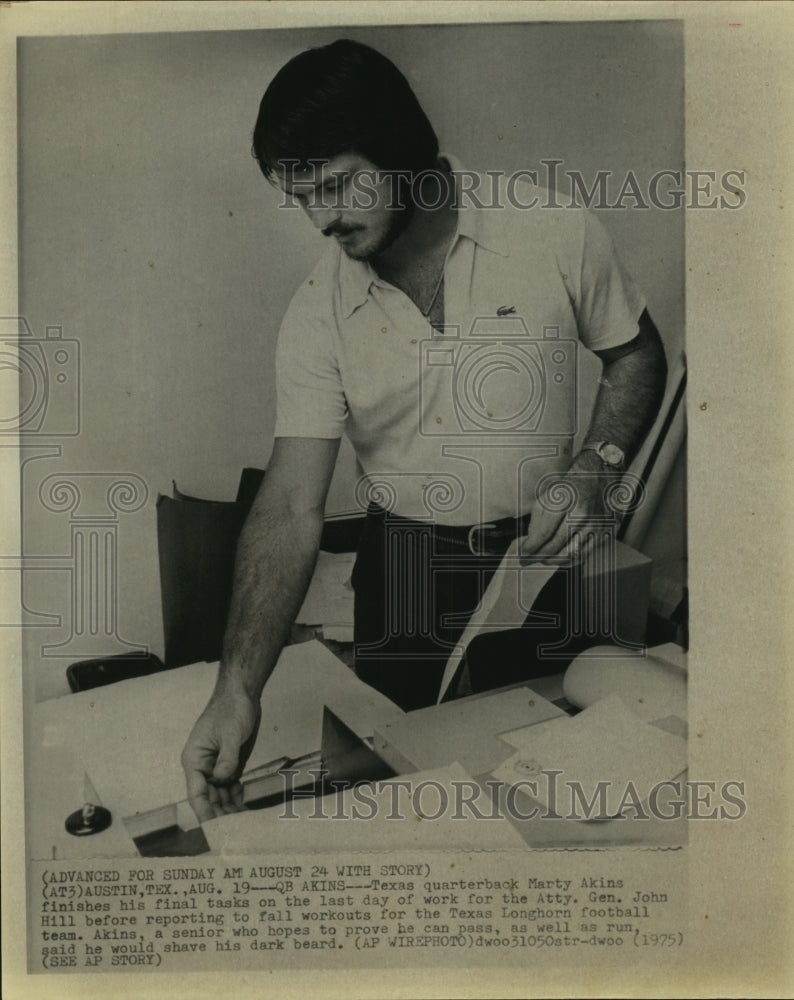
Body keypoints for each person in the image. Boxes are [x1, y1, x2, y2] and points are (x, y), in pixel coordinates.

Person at [181, 39, 668, 822]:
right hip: (402, 567)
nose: (321, 218)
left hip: (538, 558)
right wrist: (236, 690)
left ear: (401, 150)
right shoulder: (317, 312)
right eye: (300, 196)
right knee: (407, 794)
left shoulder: (550, 226)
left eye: (336, 185)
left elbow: (636, 351)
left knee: (551, 790)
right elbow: (288, 508)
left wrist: (596, 466)